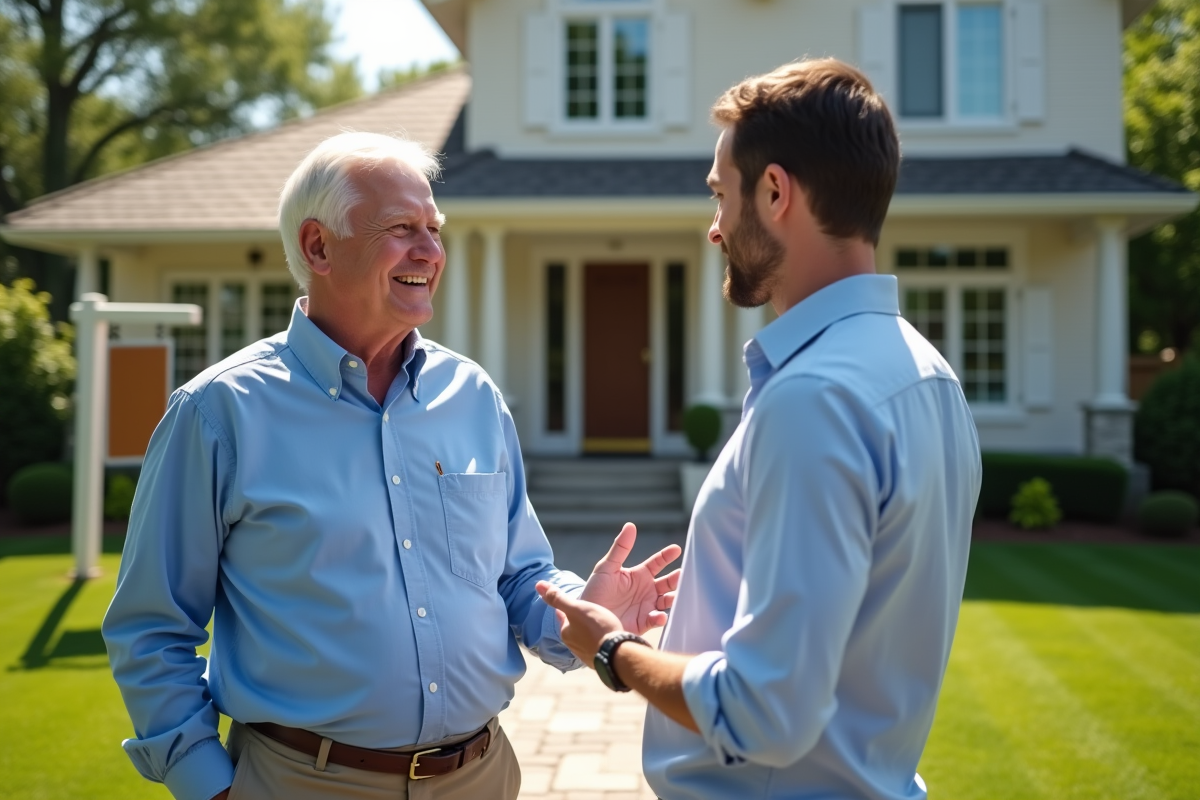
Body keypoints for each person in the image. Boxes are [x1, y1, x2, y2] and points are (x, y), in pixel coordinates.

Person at [102, 131, 681, 800]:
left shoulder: (472, 398)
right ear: (319, 247)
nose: (430, 251)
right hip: (303, 783)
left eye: (434, 229)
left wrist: (582, 608)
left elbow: (518, 574)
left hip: (480, 776)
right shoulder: (217, 413)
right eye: (402, 228)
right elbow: (150, 627)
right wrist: (208, 785)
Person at [538, 58, 982, 800]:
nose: (713, 229)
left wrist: (611, 648)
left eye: (720, 195)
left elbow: (765, 712)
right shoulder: (927, 375)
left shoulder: (813, 397)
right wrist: (705, 605)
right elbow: (854, 614)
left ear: (774, 192)